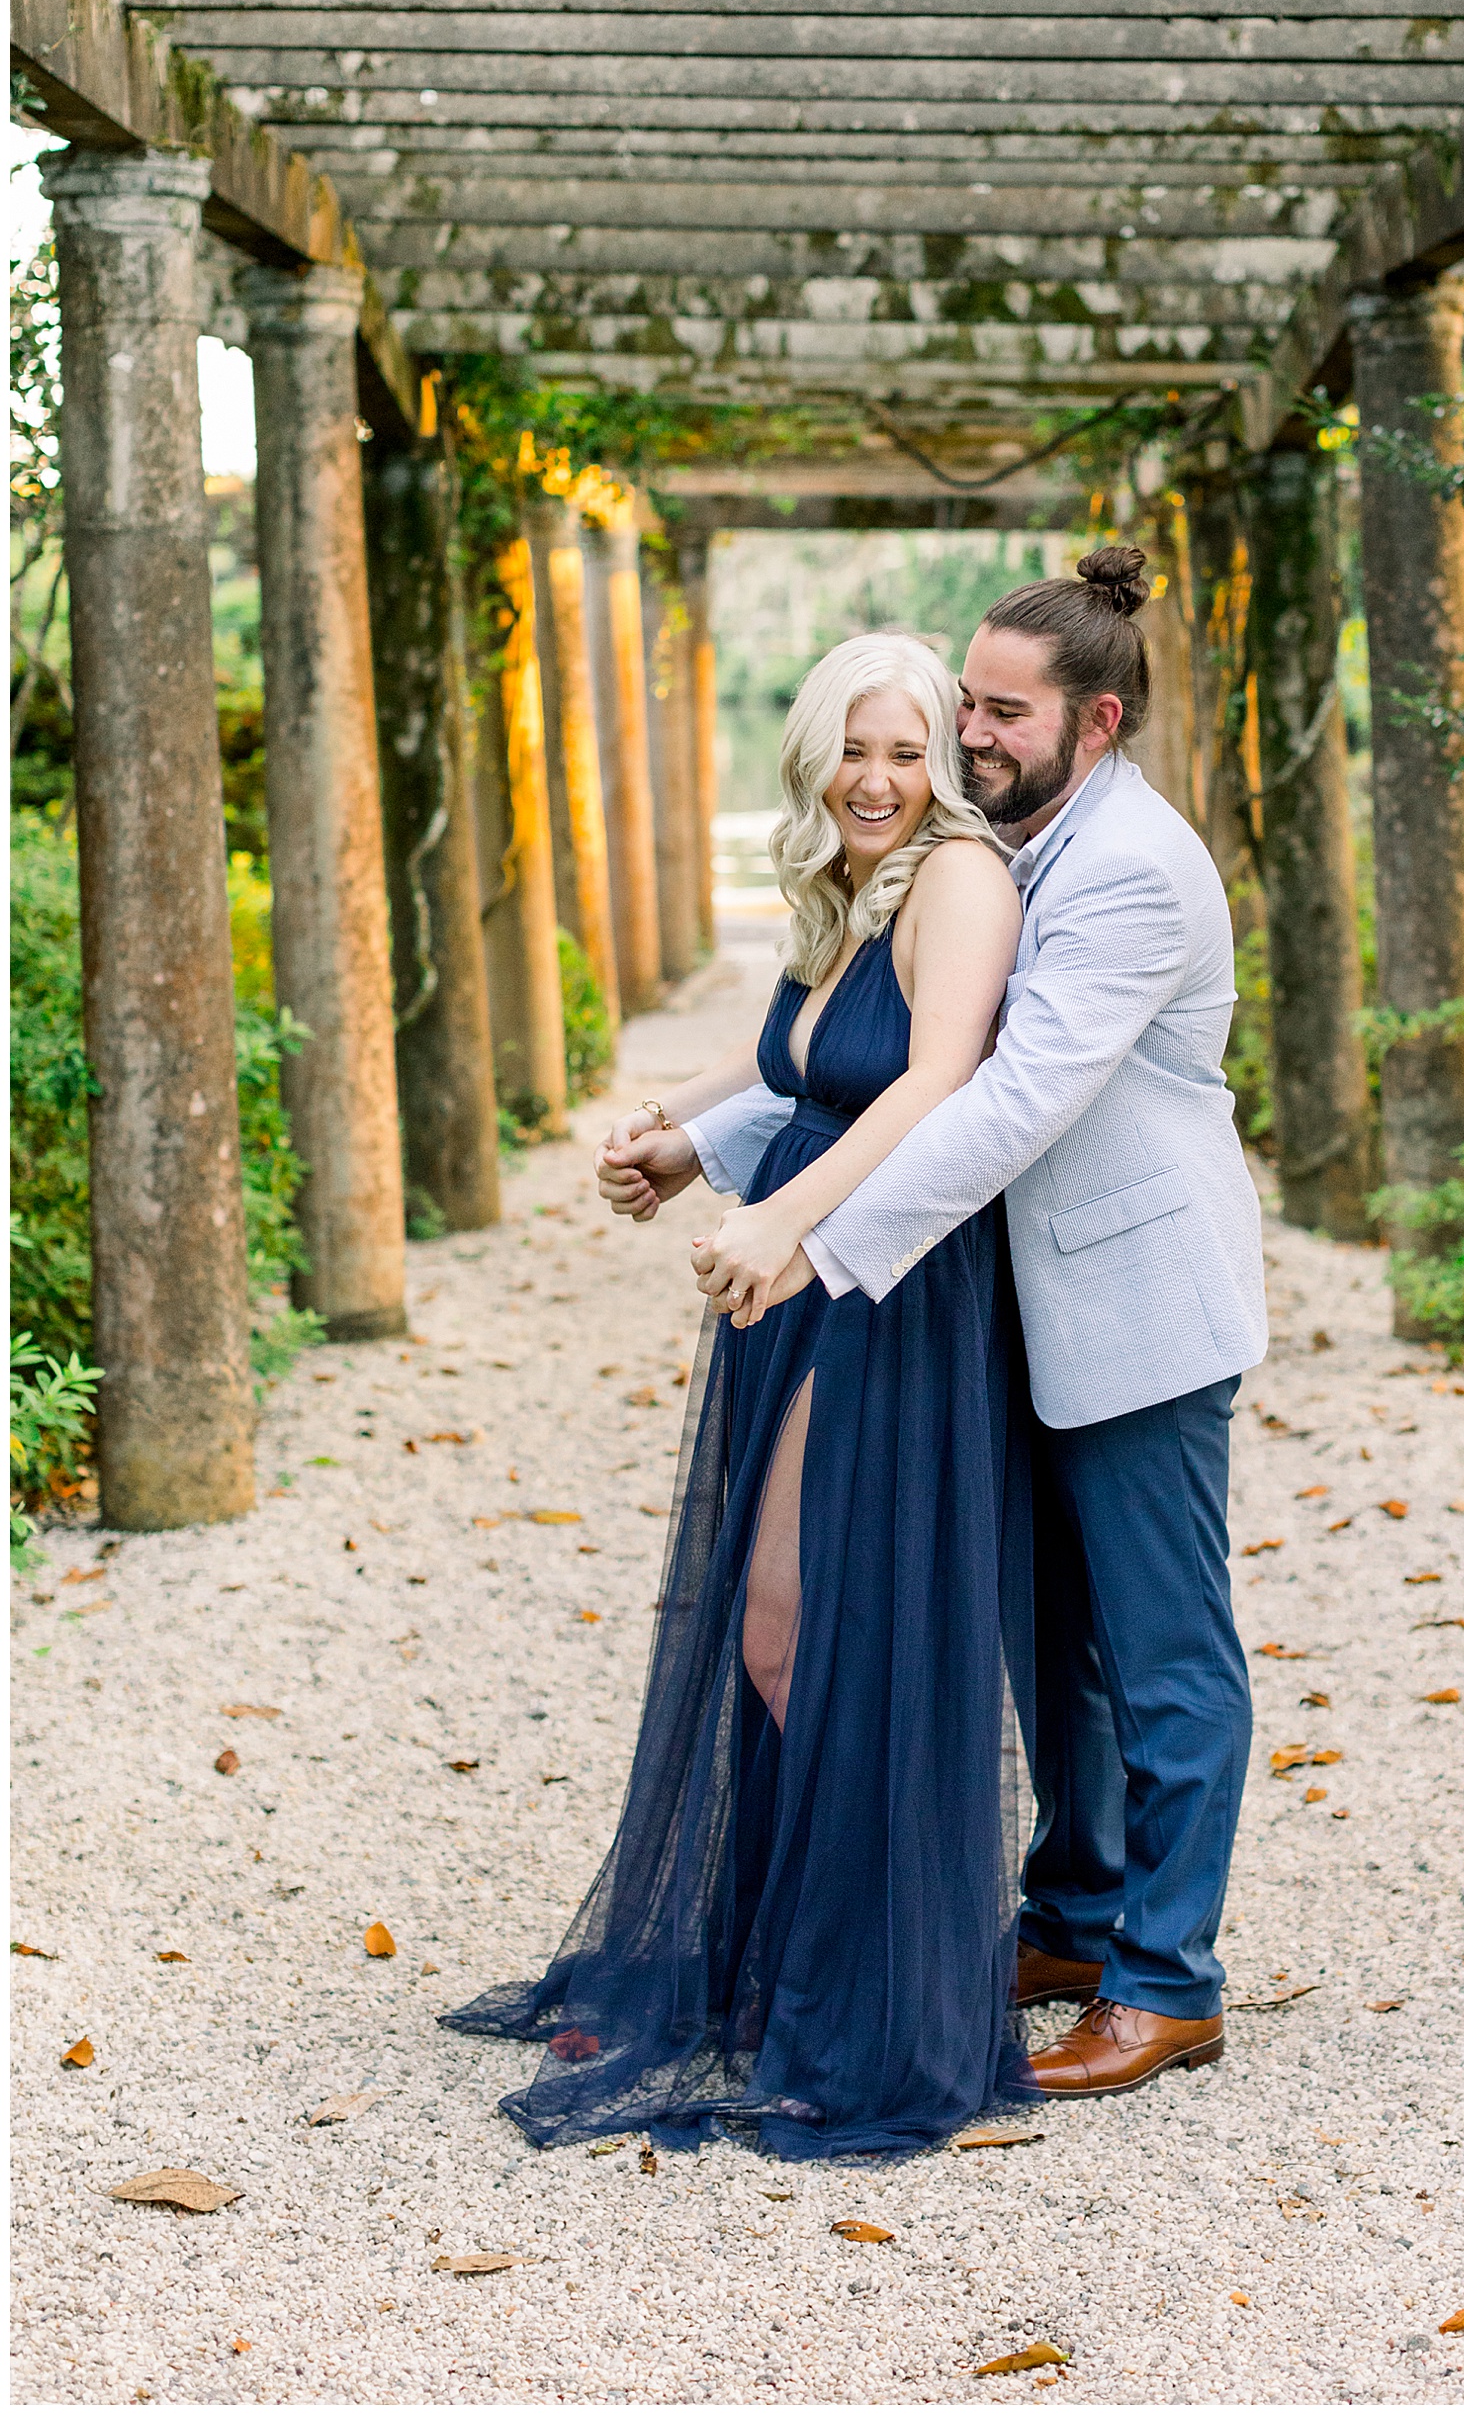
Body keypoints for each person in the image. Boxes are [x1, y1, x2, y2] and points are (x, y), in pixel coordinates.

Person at [617, 543, 1268, 2099]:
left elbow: (1004, 1096)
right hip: (1015, 1308)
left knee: (1164, 1650)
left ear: (1096, 723)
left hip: (1129, 1292)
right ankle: (1076, 1910)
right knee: (1058, 1650)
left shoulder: (1126, 866)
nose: (968, 734)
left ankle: (1169, 1978)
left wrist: (815, 1240)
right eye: (960, 703)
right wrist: (707, 1146)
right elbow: (857, 1034)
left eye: (998, 713)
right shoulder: (1009, 836)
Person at [442, 632, 1037, 2161]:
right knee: (781, 1625)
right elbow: (799, 1062)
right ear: (815, 753)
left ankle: (880, 2001)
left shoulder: (961, 879)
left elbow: (932, 1083)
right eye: (857, 748)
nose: (882, 778)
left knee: (808, 1627)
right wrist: (682, 1137)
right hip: (806, 1281)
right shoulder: (846, 892)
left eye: (909, 750)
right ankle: (792, 1966)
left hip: (888, 1286)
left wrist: (789, 1226)